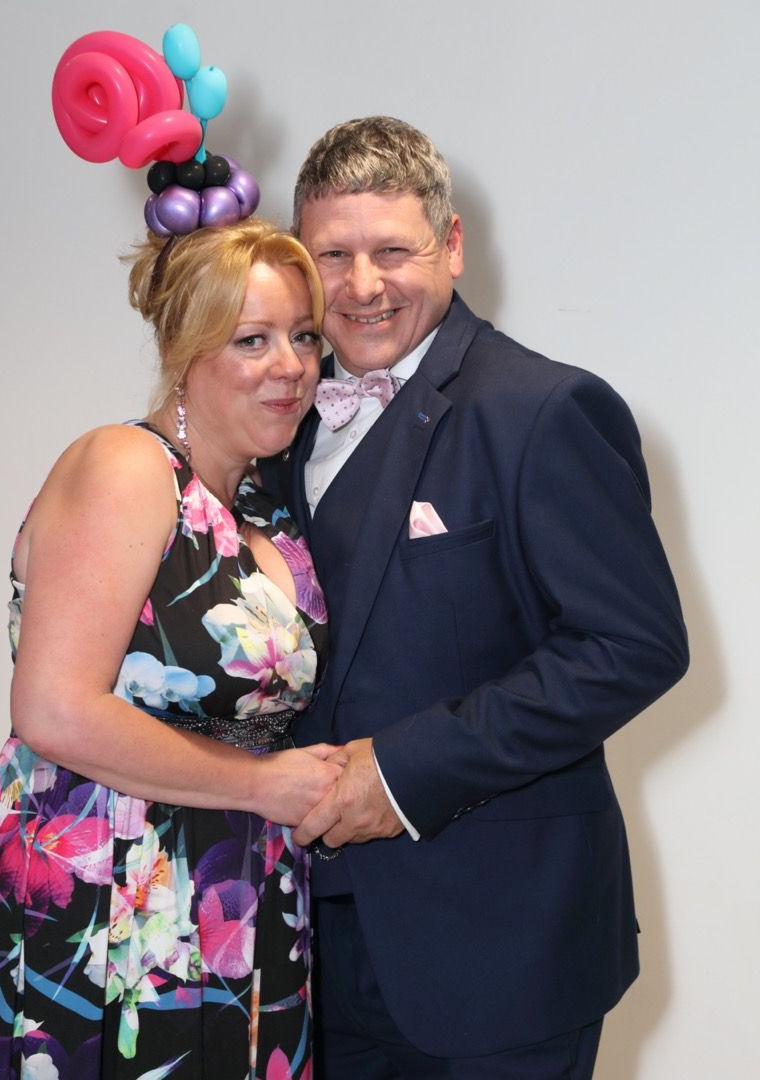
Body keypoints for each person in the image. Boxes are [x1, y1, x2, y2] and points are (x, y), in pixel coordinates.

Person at [260, 117, 690, 1079]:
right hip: (302, 949)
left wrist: (401, 774)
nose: (362, 285)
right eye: (333, 255)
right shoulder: (273, 416)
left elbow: (633, 646)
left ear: (451, 245)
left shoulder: (545, 409)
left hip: (501, 948)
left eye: (392, 251)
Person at [0, 218, 339, 1080]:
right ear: (186, 349)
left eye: (304, 336)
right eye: (253, 340)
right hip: (103, 885)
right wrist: (264, 784)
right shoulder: (127, 466)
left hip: (234, 889)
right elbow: (53, 709)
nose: (293, 365)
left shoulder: (262, 506)